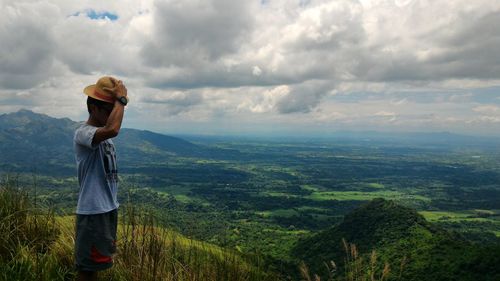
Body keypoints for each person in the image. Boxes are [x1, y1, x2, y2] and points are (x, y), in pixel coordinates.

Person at [73, 76, 128, 281]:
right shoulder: (83, 133)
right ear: (94, 108)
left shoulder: (104, 138)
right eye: (109, 109)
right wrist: (121, 101)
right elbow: (113, 129)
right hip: (93, 211)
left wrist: (118, 102)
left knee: (96, 268)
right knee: (87, 270)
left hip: (107, 209)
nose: (113, 114)